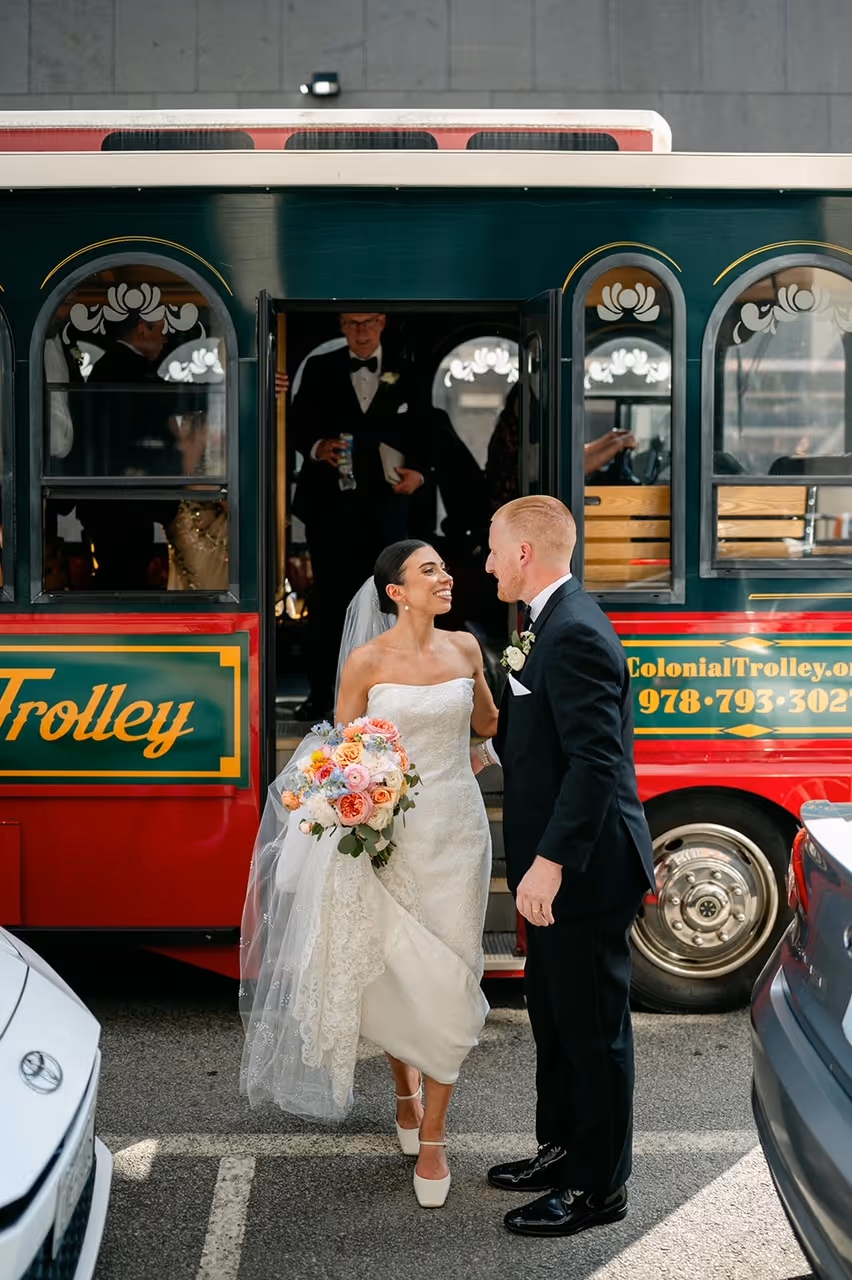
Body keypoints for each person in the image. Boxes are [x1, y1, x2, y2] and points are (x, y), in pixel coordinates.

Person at [240, 540, 498, 1208]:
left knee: (454, 967)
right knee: (395, 966)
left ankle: (435, 1138)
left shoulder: (466, 649)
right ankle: (405, 1094)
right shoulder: (363, 662)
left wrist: (479, 734)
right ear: (397, 592)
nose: (445, 577)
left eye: (444, 568)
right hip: (395, 831)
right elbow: (345, 745)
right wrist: (359, 789)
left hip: (460, 834)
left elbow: (487, 722)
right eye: (429, 571)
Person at [475, 495, 655, 1239]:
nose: (484, 563)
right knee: (553, 1018)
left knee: (593, 1032)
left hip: (585, 869)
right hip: (558, 865)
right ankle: (563, 1150)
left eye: (492, 549)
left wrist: (547, 865)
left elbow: (594, 764)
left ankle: (598, 1189)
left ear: (524, 553)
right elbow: (546, 733)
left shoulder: (575, 632)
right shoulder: (546, 622)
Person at [290, 314, 429, 719]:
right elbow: (296, 422)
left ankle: (395, 694)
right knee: (329, 601)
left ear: (383, 323)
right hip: (330, 511)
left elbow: (426, 428)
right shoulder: (319, 368)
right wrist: (317, 447)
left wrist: (419, 472)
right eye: (352, 324)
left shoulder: (410, 371)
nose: (361, 331)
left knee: (394, 602)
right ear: (341, 326)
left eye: (367, 323)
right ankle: (321, 696)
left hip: (390, 513)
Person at [74, 313, 188, 590]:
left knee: (125, 574)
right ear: (141, 330)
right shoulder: (125, 367)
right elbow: (153, 412)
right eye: (160, 331)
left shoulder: (117, 365)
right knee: (121, 581)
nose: (165, 339)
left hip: (120, 499)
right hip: (119, 503)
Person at [485, 385, 638, 510]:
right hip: (514, 513)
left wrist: (610, 439)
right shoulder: (509, 439)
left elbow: (567, 457)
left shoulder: (519, 432)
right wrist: (617, 444)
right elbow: (569, 466)